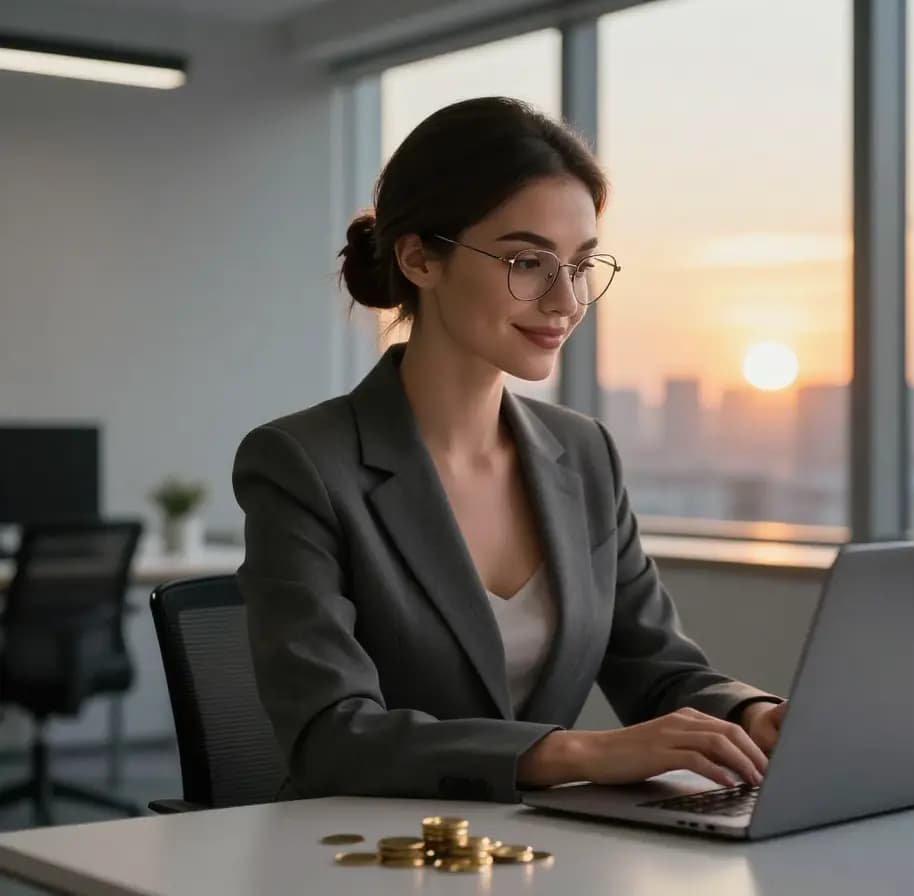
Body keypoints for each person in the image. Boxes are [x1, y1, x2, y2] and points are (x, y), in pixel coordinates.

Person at [233, 96, 788, 804]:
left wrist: (750, 714)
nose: (566, 300)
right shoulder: (302, 463)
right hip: (367, 857)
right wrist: (581, 750)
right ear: (418, 258)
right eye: (528, 261)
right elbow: (332, 737)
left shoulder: (583, 453)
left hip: (539, 857)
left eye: (581, 264)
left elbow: (657, 668)